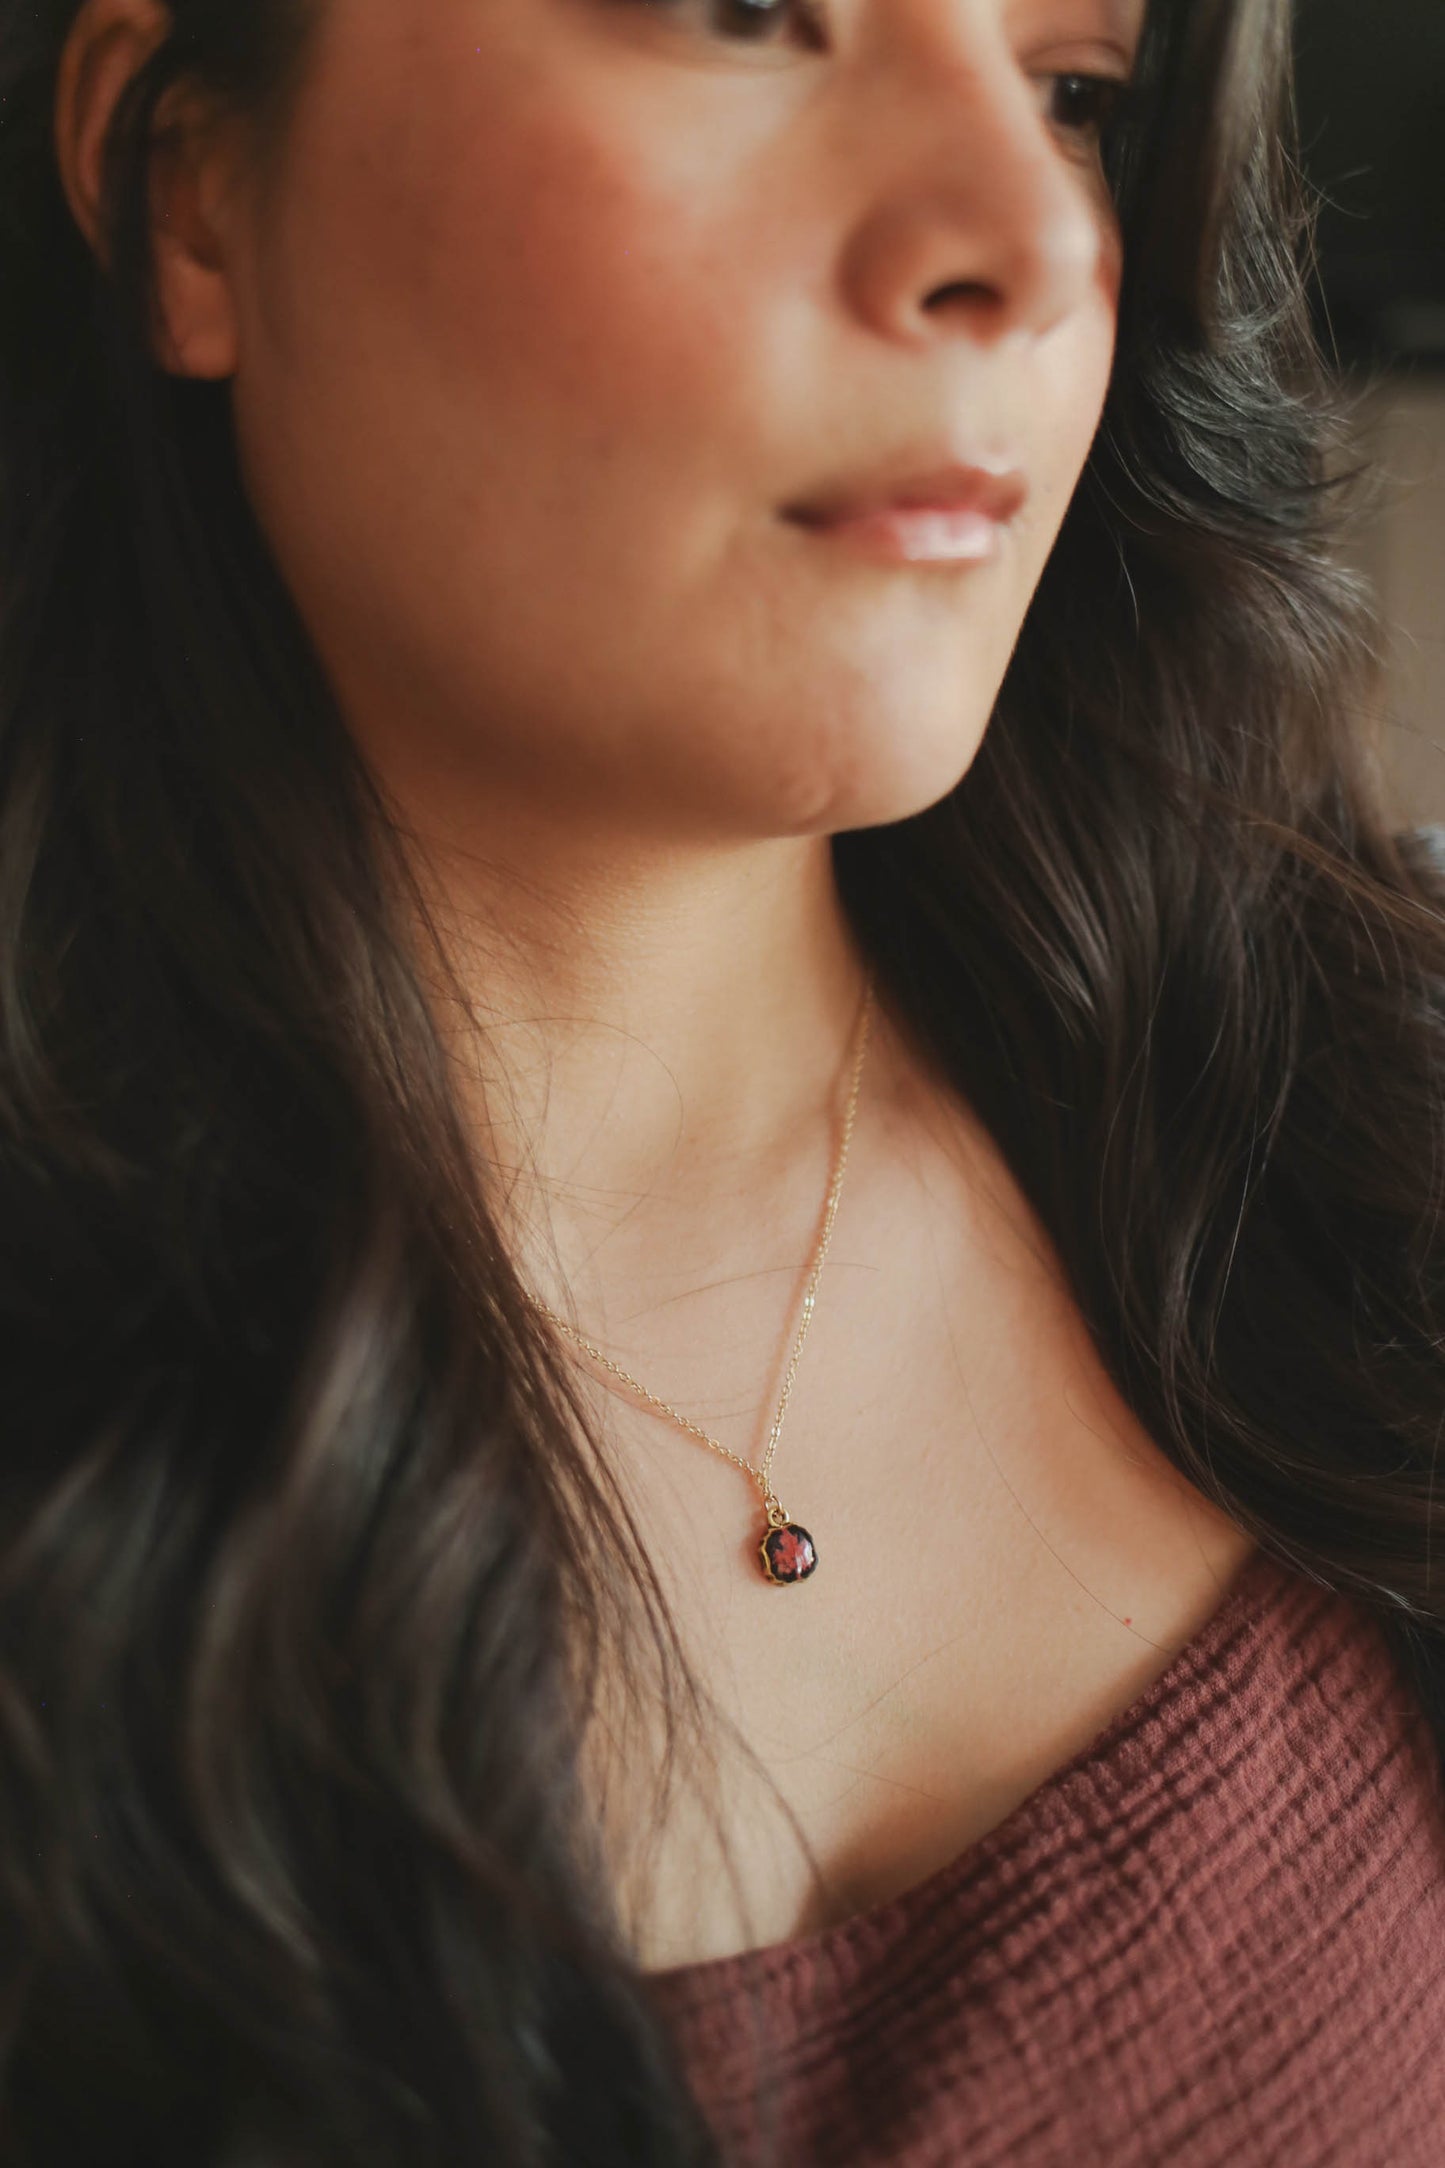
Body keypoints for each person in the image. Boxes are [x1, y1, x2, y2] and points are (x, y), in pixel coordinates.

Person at [3, 0, 1444, 2161]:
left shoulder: (1374, 1102)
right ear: (189, 185)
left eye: (1080, 98)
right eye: (748, 15)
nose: (1025, 247)